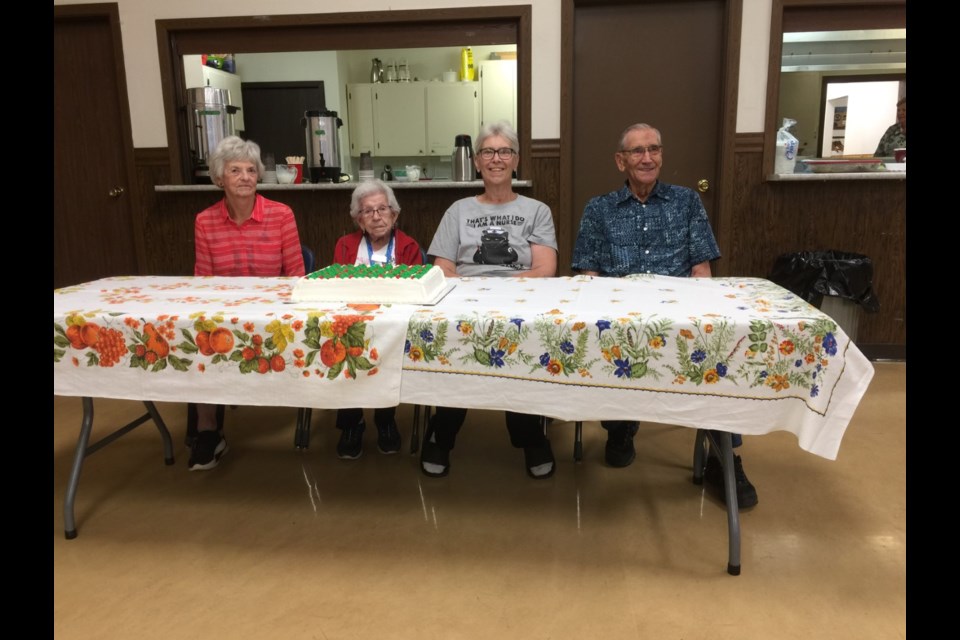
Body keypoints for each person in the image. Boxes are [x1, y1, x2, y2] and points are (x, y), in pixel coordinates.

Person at [571, 123, 758, 508]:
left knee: (719, 350)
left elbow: (702, 271)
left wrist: (707, 320)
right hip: (618, 315)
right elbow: (587, 276)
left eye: (654, 149)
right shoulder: (598, 208)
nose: (647, 158)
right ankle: (620, 426)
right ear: (620, 161)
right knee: (610, 342)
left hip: (677, 313)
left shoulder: (687, 202)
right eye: (637, 151)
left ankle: (723, 455)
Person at [421, 121, 559, 479]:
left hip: (521, 304)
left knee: (521, 346)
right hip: (466, 304)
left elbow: (545, 269)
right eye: (487, 152)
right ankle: (443, 431)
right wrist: (477, 293)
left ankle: (529, 434)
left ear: (516, 161)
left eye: (504, 152)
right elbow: (443, 268)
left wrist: (500, 290)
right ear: (478, 162)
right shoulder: (458, 210)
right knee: (457, 347)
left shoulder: (537, 210)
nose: (496, 159)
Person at [190, 135, 306, 471]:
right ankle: (209, 430)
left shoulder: (281, 215)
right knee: (195, 336)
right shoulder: (204, 221)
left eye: (251, 170)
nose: (244, 177)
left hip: (274, 311)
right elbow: (205, 282)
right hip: (225, 311)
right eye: (235, 170)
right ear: (219, 178)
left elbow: (296, 275)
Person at [332, 180, 422, 459]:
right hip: (351, 321)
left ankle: (385, 420)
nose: (376, 216)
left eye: (382, 209)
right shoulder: (345, 245)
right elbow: (336, 287)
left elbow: (416, 288)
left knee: (387, 348)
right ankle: (352, 422)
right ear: (359, 220)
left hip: (394, 321)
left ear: (394, 215)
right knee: (341, 347)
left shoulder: (408, 246)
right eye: (368, 211)